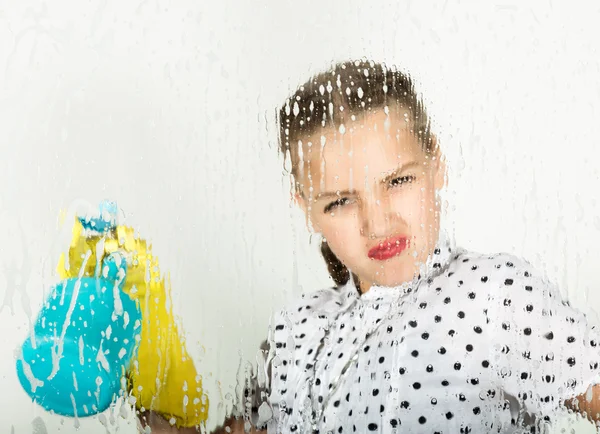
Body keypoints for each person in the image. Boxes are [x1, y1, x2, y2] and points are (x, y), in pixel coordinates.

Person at [160, 59, 600, 433]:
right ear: (306, 207)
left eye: (399, 181)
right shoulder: (292, 332)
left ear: (437, 164)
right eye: (340, 202)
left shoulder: (494, 294)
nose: (378, 222)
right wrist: (129, 380)